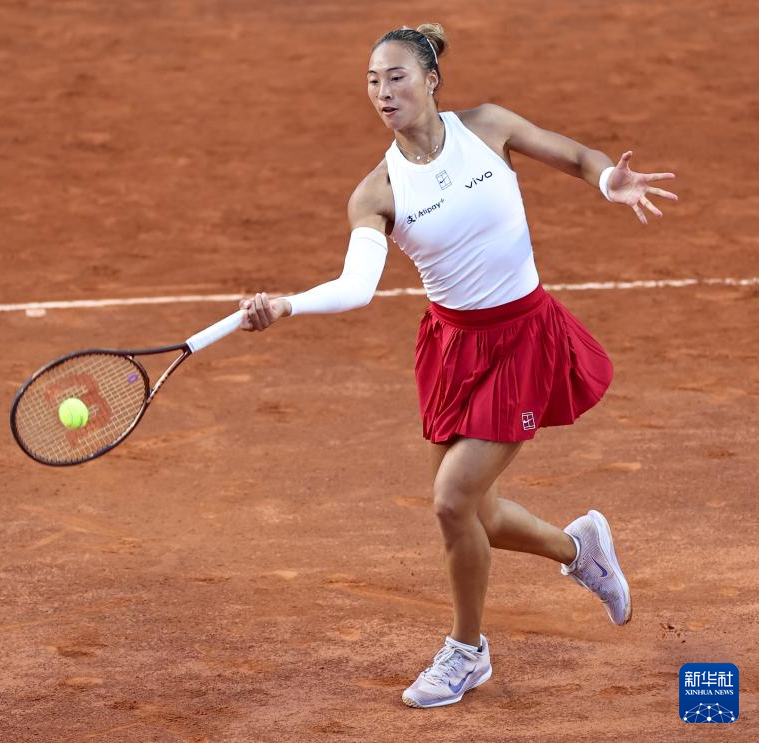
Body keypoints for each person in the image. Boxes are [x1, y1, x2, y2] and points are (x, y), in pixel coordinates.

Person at [236, 24, 677, 709]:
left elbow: (573, 155)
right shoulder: (377, 192)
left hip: (524, 338)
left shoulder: (487, 127)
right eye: (373, 81)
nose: (383, 92)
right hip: (453, 349)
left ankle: (467, 651)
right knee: (480, 515)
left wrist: (606, 178)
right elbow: (356, 286)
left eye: (397, 77)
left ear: (431, 80)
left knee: (450, 501)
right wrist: (287, 304)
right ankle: (579, 550)